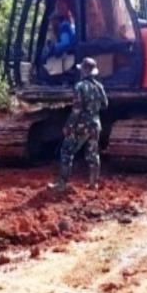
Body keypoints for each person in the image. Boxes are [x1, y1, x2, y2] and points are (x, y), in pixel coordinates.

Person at [50, 57, 108, 192]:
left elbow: (76, 110)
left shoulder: (79, 86)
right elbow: (105, 105)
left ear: (84, 71)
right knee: (93, 154)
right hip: (95, 124)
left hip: (81, 125)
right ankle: (93, 184)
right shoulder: (99, 86)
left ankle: (62, 184)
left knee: (66, 151)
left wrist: (69, 126)